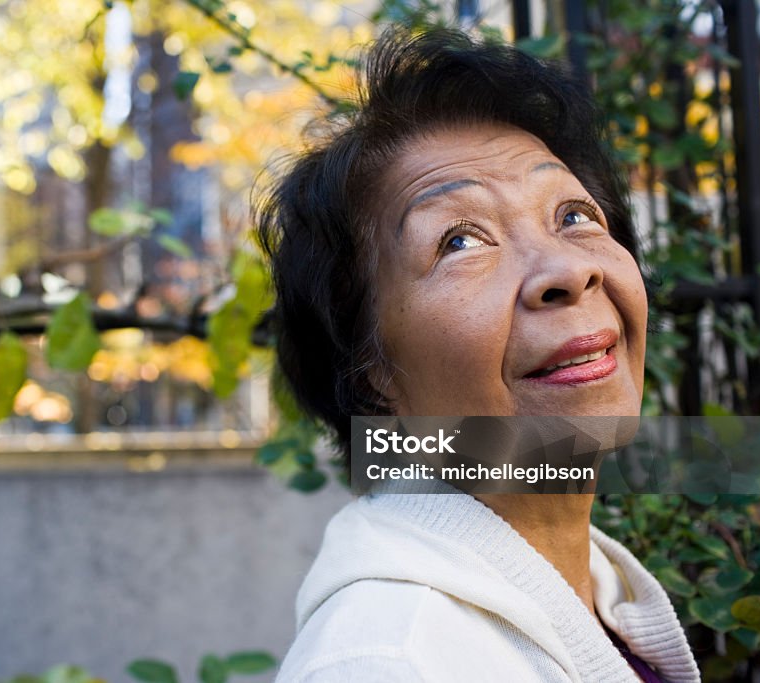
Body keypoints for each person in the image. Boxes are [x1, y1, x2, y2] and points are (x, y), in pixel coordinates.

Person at [255, 27, 701, 682]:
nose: (567, 270)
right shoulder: (390, 661)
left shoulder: (595, 591)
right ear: (372, 372)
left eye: (573, 215)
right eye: (460, 240)